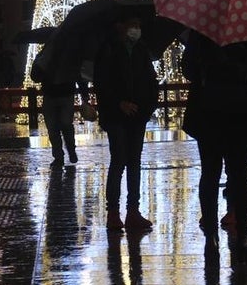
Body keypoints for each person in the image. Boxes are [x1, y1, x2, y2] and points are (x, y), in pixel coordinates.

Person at [181, 30, 247, 264]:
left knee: (210, 174)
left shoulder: (202, 31)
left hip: (210, 114)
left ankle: (211, 237)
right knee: (239, 176)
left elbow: (188, 70)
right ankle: (244, 236)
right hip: (241, 113)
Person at [93, 15, 159, 233]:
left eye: (139, 26)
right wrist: (119, 103)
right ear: (121, 27)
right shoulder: (109, 50)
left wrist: (147, 107)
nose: (136, 30)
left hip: (138, 115)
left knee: (134, 162)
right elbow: (102, 84)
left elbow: (151, 82)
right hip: (115, 116)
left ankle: (133, 211)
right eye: (133, 25)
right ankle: (113, 211)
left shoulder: (142, 51)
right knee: (119, 159)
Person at [40, 38, 90, 168]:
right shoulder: (45, 55)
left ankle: (69, 150)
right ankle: (59, 156)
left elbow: (78, 75)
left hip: (63, 95)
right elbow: (35, 74)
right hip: (53, 95)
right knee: (54, 128)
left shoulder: (69, 57)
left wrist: (84, 94)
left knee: (64, 124)